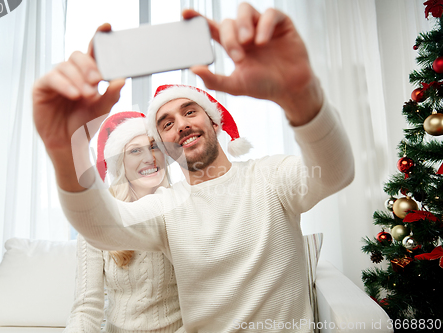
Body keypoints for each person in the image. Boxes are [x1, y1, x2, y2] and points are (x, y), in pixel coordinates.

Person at [33, 3, 354, 332]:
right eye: (166, 123)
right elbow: (102, 227)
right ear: (164, 145)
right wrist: (64, 148)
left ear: (215, 123)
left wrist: (302, 96)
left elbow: (334, 173)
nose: (181, 126)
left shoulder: (269, 177)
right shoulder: (166, 207)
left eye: (190, 112)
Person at [64, 112, 183, 333]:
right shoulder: (99, 220)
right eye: (135, 150)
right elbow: (86, 309)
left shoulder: (183, 209)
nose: (150, 158)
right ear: (120, 164)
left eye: (154, 146)